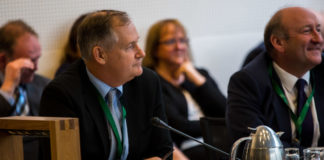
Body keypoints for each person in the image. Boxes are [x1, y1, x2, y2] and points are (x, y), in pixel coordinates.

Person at [40, 10, 173, 160]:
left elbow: (164, 149)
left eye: (137, 42)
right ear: (100, 55)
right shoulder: (61, 95)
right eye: (130, 46)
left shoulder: (147, 82)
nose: (141, 53)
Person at [227, 7, 324, 151]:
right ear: (278, 42)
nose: (319, 39)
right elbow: (256, 147)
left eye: (318, 30)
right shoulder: (247, 82)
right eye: (307, 31)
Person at [143, 19, 226, 160]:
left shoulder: (200, 74)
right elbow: (179, 127)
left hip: (219, 142)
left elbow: (226, 111)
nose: (179, 46)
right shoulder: (150, 80)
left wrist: (197, 79)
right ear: (155, 49)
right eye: (170, 41)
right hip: (187, 147)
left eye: (183, 40)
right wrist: (218, 125)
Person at [0, 20, 50, 160]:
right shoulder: (4, 91)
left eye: (37, 59)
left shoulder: (45, 86)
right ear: (3, 60)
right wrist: (8, 87)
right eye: (29, 61)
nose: (36, 68)